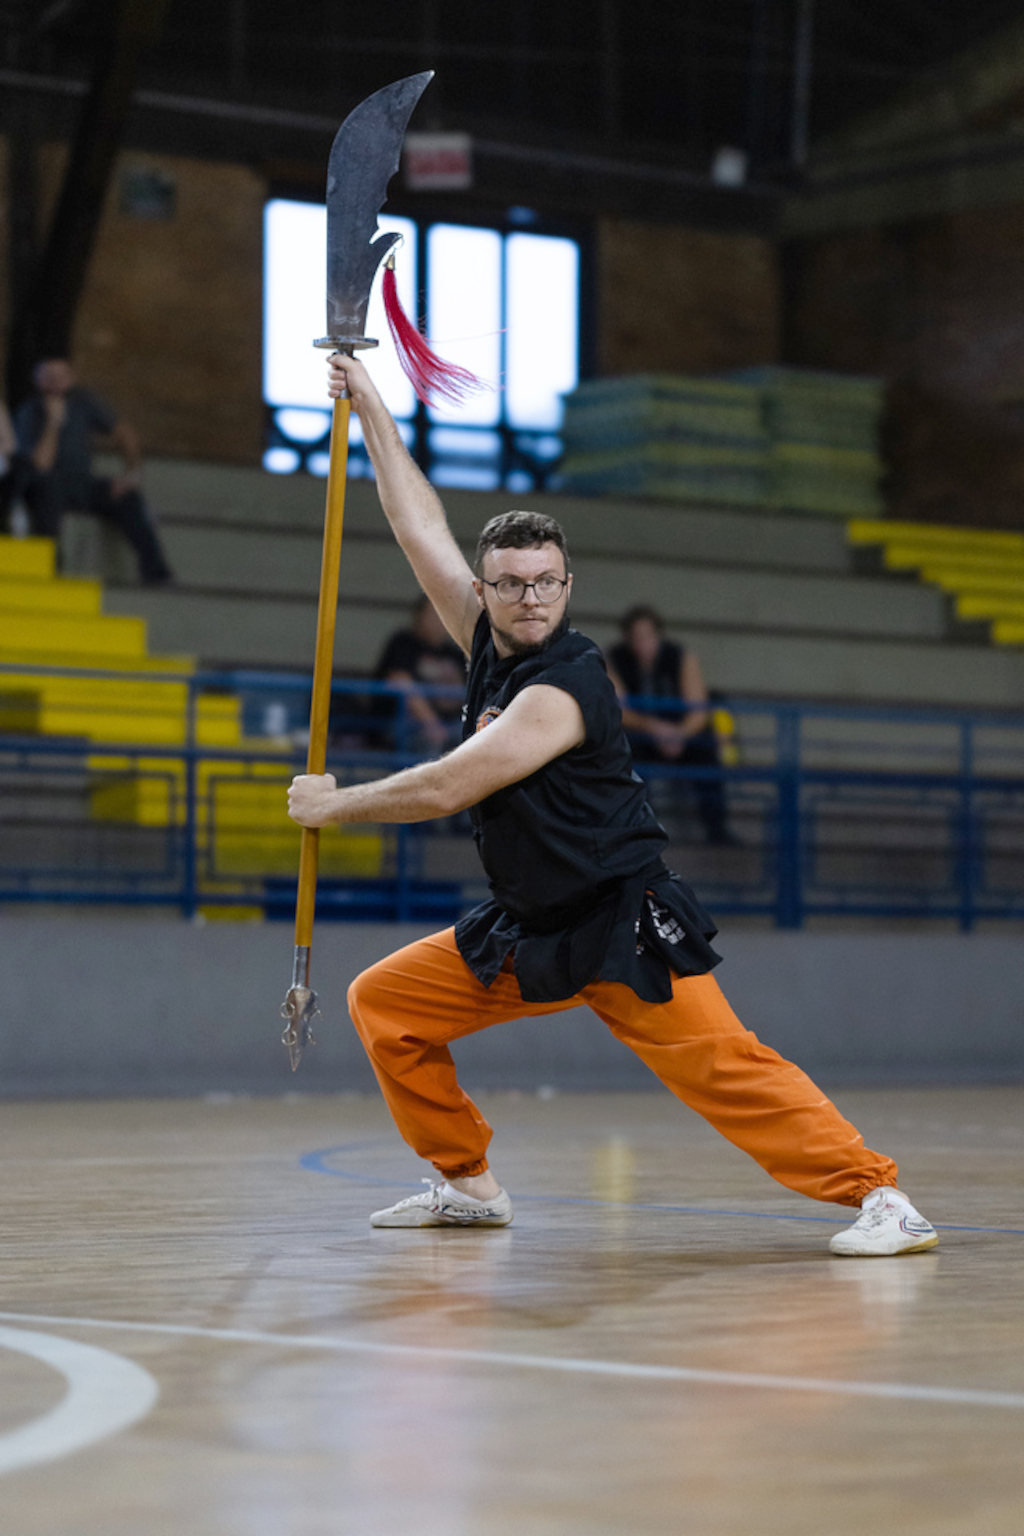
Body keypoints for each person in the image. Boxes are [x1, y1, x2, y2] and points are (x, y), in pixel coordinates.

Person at [286, 352, 938, 1259]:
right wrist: (373, 410)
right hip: (530, 923)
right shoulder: (487, 640)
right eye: (510, 582)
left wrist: (331, 805)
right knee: (386, 1005)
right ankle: (467, 1184)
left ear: (567, 585)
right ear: (485, 589)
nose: (529, 597)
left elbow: (451, 784)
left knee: (726, 1068)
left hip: (620, 918)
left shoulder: (566, 685)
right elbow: (415, 521)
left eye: (545, 581)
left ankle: (880, 1197)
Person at [12, 357, 173, 585]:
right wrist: (54, 422)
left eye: (62, 376)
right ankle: (50, 570)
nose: (56, 382)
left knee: (128, 497)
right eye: (49, 376)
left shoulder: (84, 401)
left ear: (72, 379)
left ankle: (157, 573)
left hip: (82, 484)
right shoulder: (29, 410)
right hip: (46, 486)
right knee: (48, 489)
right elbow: (41, 466)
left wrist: (132, 475)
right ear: (38, 380)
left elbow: (124, 432)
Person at [606, 605, 733, 845]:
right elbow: (618, 708)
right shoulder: (613, 659)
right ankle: (639, 830)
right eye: (635, 638)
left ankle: (717, 829)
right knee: (624, 752)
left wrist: (679, 734)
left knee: (707, 750)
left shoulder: (681, 657)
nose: (641, 645)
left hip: (682, 737)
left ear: (659, 636)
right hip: (642, 737)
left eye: (647, 637)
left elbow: (698, 709)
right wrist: (655, 729)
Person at [374, 593, 466, 753]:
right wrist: (431, 724)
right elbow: (399, 681)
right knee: (429, 743)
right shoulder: (404, 643)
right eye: (434, 614)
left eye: (443, 614)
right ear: (418, 615)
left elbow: (461, 694)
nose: (439, 621)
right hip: (403, 726)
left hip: (449, 724)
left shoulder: (454, 652)